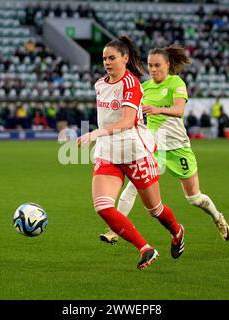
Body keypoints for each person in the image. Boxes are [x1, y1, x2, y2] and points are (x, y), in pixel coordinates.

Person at [100, 45, 229, 245]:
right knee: (133, 187)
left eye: (157, 65)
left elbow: (179, 110)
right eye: (150, 66)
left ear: (168, 65)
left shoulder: (176, 83)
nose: (153, 69)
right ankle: (114, 230)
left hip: (178, 147)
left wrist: (157, 109)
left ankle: (217, 217)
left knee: (194, 198)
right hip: (153, 147)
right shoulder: (144, 87)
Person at [77, 36, 185, 270]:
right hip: (108, 152)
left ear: (125, 58)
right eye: (104, 58)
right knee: (103, 207)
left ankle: (177, 231)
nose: (107, 62)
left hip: (134, 150)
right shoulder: (99, 84)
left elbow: (127, 122)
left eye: (112, 57)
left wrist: (96, 134)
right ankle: (145, 248)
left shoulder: (131, 84)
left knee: (154, 209)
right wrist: (100, 137)